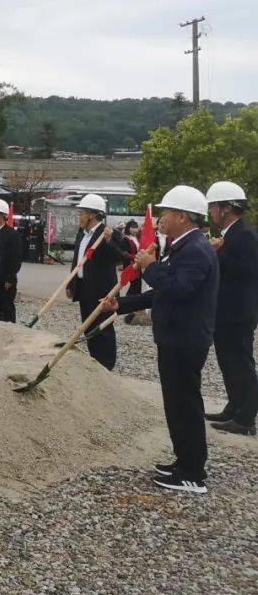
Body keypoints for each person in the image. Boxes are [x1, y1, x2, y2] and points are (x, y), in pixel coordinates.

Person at [111, 185, 219, 494]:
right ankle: (183, 460)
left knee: (185, 404)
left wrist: (149, 266)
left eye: (166, 213)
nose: (161, 219)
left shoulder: (196, 250)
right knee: (176, 403)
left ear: (183, 216)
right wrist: (124, 305)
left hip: (186, 339)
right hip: (174, 336)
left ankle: (193, 473)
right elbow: (163, 292)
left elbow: (179, 289)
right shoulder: (182, 246)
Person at [203, 181, 257, 437]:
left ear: (226, 208)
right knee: (228, 363)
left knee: (241, 363)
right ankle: (234, 407)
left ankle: (246, 418)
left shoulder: (245, 235)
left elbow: (247, 272)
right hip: (225, 312)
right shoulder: (231, 234)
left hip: (239, 313)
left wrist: (217, 254)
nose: (211, 212)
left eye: (213, 207)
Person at [65, 194, 128, 371]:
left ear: (92, 215)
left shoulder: (108, 233)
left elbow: (120, 257)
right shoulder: (82, 234)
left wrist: (108, 241)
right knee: (88, 327)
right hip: (85, 288)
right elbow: (77, 260)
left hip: (103, 291)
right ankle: (94, 361)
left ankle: (106, 366)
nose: (79, 216)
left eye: (82, 213)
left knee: (103, 329)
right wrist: (72, 283)